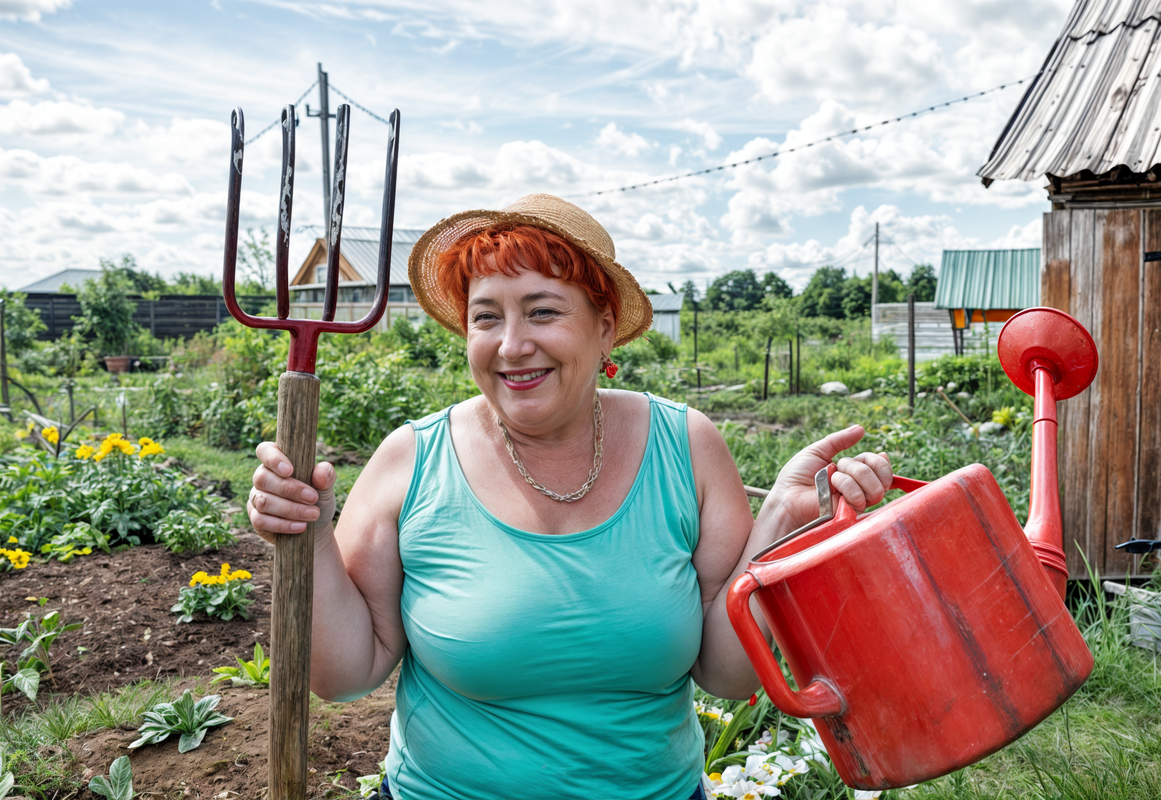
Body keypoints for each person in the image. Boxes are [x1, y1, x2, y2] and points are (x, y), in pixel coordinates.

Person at [247, 194, 893, 800]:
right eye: (486, 317)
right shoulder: (411, 462)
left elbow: (728, 674)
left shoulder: (686, 450)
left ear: (605, 328)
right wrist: (309, 538)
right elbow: (342, 673)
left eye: (543, 311)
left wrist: (781, 516)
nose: (512, 345)